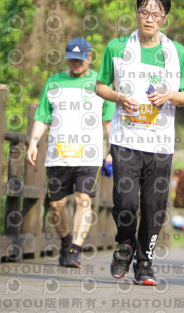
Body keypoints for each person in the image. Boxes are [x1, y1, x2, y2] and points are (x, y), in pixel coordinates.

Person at [95, 0, 184, 286]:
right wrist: (118, 97)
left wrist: (169, 95)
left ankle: (145, 264)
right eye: (144, 11)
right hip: (125, 137)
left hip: (160, 141)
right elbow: (100, 86)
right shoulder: (116, 48)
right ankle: (125, 245)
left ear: (164, 17)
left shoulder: (176, 52)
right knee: (126, 201)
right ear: (136, 12)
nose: (149, 18)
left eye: (156, 13)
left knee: (154, 206)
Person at [27, 37, 115, 268]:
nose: (76, 63)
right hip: (58, 154)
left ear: (89, 57)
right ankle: (66, 241)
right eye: (72, 59)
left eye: (81, 59)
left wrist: (112, 149)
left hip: (89, 154)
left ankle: (75, 248)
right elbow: (42, 117)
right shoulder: (54, 82)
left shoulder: (101, 83)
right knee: (56, 206)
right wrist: (33, 143)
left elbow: (108, 122)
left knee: (83, 200)